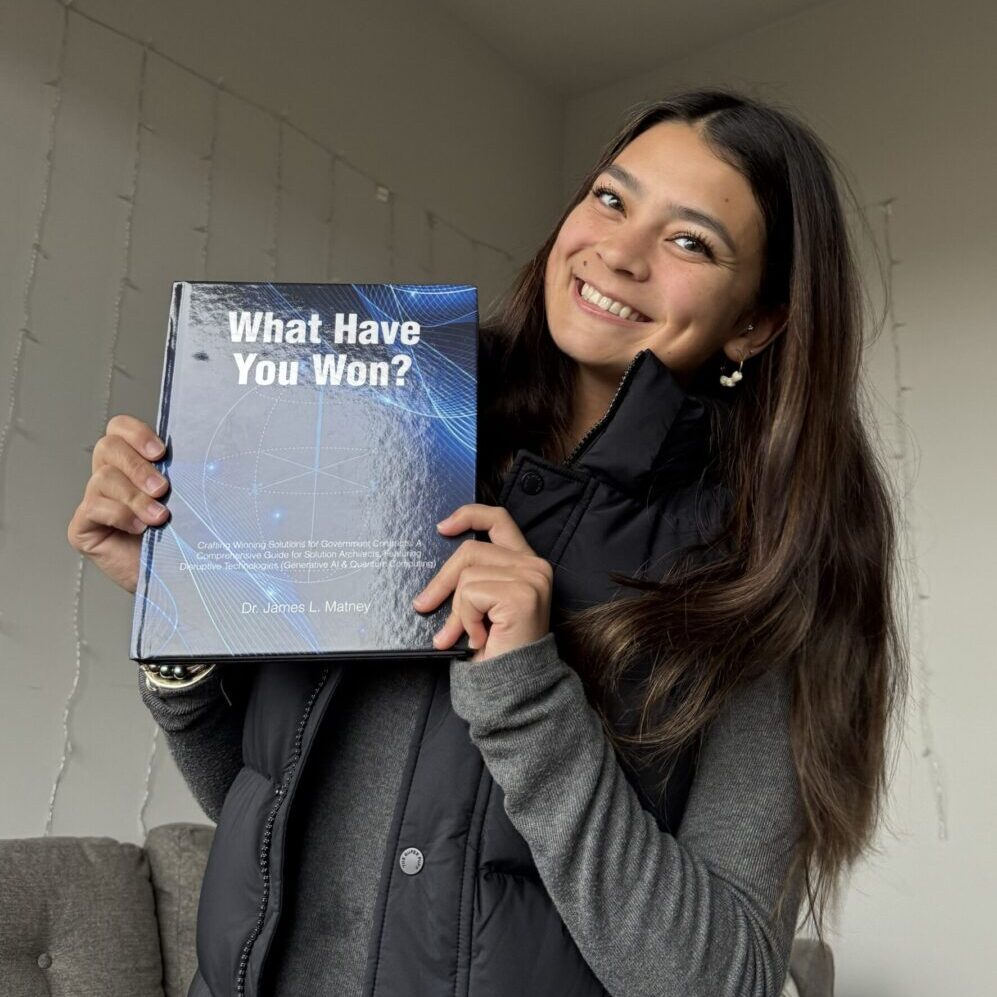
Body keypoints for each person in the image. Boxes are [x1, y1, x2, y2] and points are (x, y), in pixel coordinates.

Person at [67, 89, 907, 997]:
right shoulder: (391, 423)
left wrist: (525, 691)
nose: (617, 253)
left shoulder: (762, 572)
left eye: (689, 241)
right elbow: (276, 809)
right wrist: (180, 606)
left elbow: (720, 978)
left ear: (757, 321)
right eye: (611, 199)